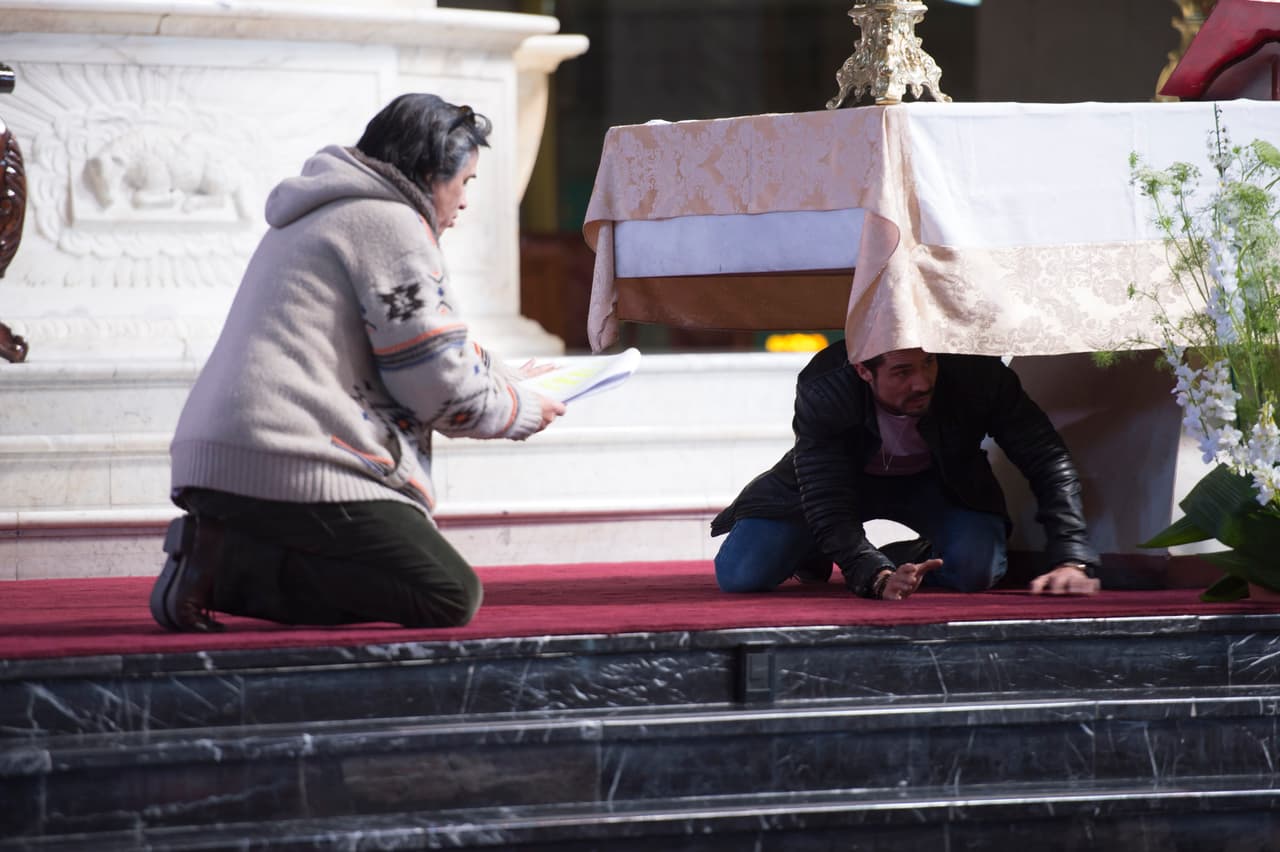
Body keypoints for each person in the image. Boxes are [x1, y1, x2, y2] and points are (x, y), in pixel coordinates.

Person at [150, 93, 565, 632]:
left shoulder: (325, 210)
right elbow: (436, 384)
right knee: (445, 593)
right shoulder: (391, 223)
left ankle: (220, 546)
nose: (465, 202)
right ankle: (221, 566)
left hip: (228, 453)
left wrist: (501, 377)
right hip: (291, 456)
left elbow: (414, 342)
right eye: (464, 182)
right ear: (427, 173)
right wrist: (520, 411)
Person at [711, 341, 1101, 600]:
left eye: (928, 363)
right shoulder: (826, 385)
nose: (922, 382)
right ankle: (817, 549)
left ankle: (902, 557)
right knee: (741, 575)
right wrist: (873, 576)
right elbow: (825, 494)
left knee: (976, 571)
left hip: (939, 481)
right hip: (841, 483)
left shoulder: (978, 374)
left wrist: (1071, 556)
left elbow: (1045, 457)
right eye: (901, 372)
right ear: (864, 370)